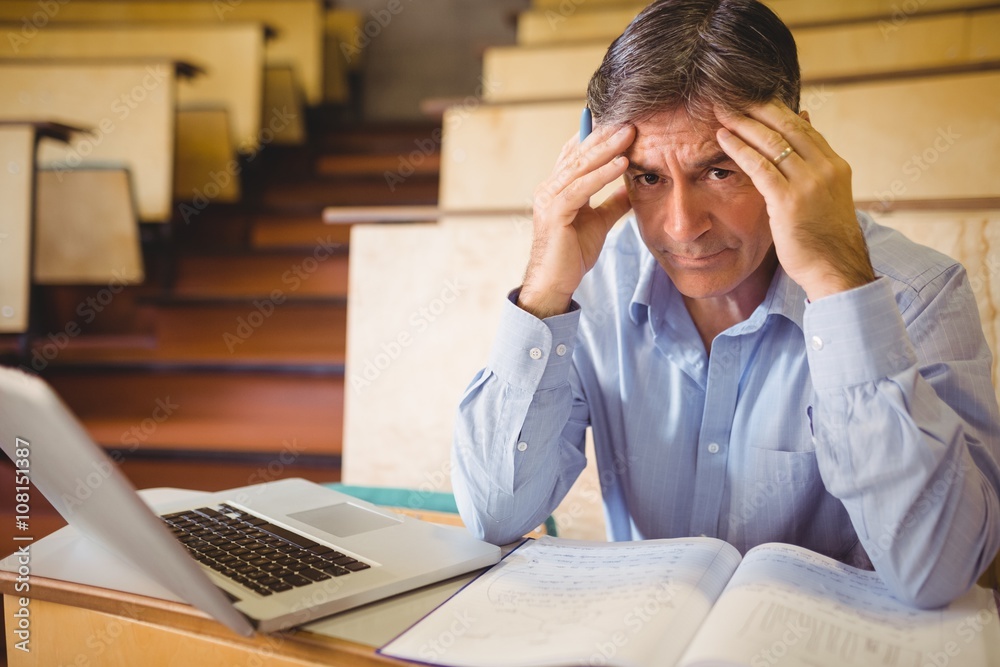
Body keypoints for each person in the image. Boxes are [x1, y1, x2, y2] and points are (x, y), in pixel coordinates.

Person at [451, 0, 1000, 608]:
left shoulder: (916, 295)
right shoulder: (590, 285)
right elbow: (493, 514)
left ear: (797, 150)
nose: (682, 228)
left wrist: (840, 288)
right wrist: (543, 297)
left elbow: (937, 572)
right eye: (647, 178)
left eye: (719, 170)